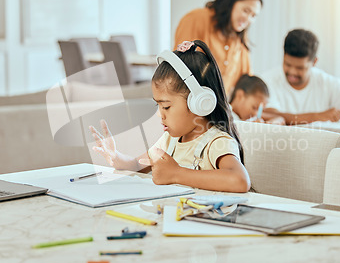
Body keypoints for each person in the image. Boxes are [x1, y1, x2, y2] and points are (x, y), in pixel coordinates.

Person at [89, 40, 251, 193]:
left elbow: (240, 180)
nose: (161, 114)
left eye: (166, 106)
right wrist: (115, 157)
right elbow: (136, 165)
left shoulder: (216, 142)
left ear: (200, 103)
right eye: (158, 105)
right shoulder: (170, 140)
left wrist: (176, 173)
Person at [263, 29, 340, 125]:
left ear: (314, 62)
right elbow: (267, 114)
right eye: (287, 64)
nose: (292, 72)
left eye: (300, 68)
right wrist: (318, 117)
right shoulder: (266, 81)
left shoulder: (328, 83)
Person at [174, 0, 263, 96]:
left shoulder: (239, 41)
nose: (248, 19)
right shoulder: (197, 18)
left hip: (219, 107)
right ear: (232, 3)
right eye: (245, 11)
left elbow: (247, 83)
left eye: (253, 16)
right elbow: (179, 65)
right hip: (189, 100)